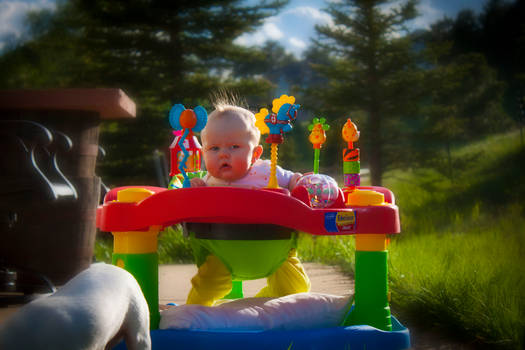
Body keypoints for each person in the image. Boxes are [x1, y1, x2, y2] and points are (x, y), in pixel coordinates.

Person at [186, 102, 311, 306]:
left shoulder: (268, 172)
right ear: (203, 154)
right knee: (206, 286)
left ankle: (264, 300)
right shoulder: (207, 183)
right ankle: (191, 317)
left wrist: (300, 182)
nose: (223, 154)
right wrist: (194, 192)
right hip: (222, 254)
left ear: (255, 154)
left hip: (276, 251)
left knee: (296, 288)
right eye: (214, 148)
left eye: (234, 147)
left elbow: (296, 182)